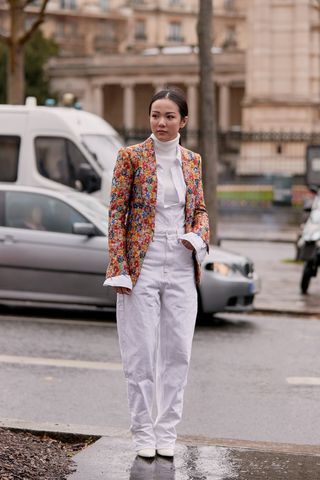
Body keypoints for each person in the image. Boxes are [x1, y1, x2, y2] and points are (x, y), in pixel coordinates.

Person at [104, 86, 209, 459]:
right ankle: (142, 431)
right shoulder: (130, 157)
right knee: (140, 353)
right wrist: (118, 267)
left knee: (178, 352)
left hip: (181, 261)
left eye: (168, 116)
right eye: (155, 115)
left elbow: (199, 210)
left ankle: (167, 431)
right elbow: (117, 214)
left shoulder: (192, 161)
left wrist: (198, 236)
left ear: (183, 121)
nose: (161, 123)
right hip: (142, 263)